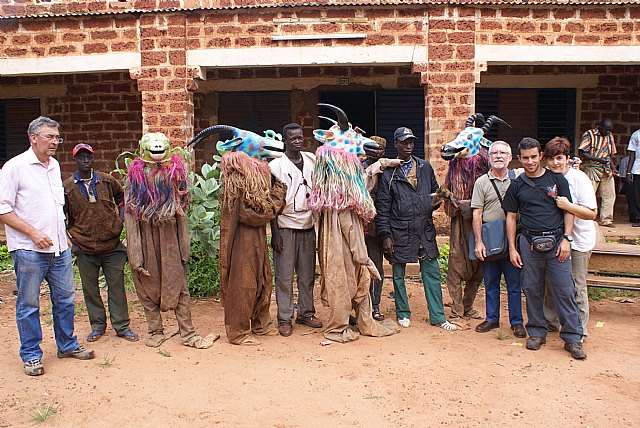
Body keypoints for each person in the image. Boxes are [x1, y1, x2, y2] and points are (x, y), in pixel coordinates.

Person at [0, 116, 94, 377]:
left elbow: (55, 206)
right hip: (29, 249)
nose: (55, 142)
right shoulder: (14, 167)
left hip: (59, 248)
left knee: (65, 299)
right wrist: (33, 233)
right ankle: (31, 355)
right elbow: (2, 209)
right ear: (33, 138)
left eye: (57, 137)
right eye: (50, 137)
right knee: (29, 304)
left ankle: (66, 345)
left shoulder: (53, 166)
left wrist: (64, 235)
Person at [124, 132, 217, 349]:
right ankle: (155, 330)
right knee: (147, 284)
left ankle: (188, 333)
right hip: (145, 234)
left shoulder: (175, 174)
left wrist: (184, 249)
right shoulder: (135, 178)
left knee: (178, 283)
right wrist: (135, 256)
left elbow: (182, 209)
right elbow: (130, 215)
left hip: (170, 237)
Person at [503, 137, 586, 360]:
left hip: (557, 242)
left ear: (541, 156)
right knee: (531, 288)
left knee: (564, 289)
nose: (530, 161)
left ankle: (572, 337)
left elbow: (568, 210)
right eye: (525, 158)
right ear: (519, 159)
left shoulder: (557, 180)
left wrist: (567, 239)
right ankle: (537, 332)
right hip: (529, 243)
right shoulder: (517, 185)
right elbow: (511, 218)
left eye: (534, 156)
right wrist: (512, 248)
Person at [375, 127, 456, 331]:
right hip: (399, 229)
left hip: (424, 229)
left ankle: (438, 316)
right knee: (399, 274)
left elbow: (433, 194)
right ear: (396, 145)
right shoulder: (389, 173)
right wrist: (385, 235)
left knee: (432, 272)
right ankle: (403, 312)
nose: (409, 146)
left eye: (411, 141)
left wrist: (440, 198)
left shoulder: (424, 167)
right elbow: (383, 207)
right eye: (404, 142)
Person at [63, 143, 138, 343]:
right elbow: (60, 216)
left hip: (112, 246)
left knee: (116, 286)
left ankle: (122, 326)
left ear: (93, 159)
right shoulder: (68, 188)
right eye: (81, 157)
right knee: (90, 289)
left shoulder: (106, 180)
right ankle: (97, 326)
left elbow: (123, 198)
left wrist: (120, 221)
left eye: (89, 157)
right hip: (84, 246)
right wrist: (71, 241)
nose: (86, 160)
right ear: (75, 160)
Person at [219, 151, 287, 345]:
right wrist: (276, 194)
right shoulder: (237, 189)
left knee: (262, 280)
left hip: (256, 241)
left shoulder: (250, 188)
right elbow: (257, 215)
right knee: (244, 284)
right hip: (243, 242)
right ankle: (238, 332)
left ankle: (260, 323)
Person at [269, 123, 322, 337]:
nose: (298, 141)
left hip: (308, 225)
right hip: (285, 226)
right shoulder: (276, 166)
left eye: (300, 137)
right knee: (283, 276)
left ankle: (306, 313)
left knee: (307, 274)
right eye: (293, 138)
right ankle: (284, 317)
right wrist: (274, 233)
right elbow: (271, 202)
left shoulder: (311, 160)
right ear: (285, 141)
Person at [543, 137, 597, 340]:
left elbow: (592, 213)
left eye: (559, 158)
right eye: (551, 159)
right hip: (554, 239)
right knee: (551, 282)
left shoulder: (579, 178)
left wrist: (568, 206)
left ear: (567, 158)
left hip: (579, 241)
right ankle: (550, 321)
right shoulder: (546, 178)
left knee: (576, 285)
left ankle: (579, 327)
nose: (555, 163)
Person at [470, 141, 525, 338]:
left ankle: (517, 322)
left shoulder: (518, 178)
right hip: (490, 239)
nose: (499, 156)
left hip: (514, 241)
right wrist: (479, 242)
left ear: (510, 157)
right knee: (491, 281)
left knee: (514, 283)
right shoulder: (481, 182)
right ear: (489, 157)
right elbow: (477, 213)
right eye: (494, 153)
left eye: (503, 153)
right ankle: (492, 318)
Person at [361, 136, 390, 321]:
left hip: (375, 226)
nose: (375, 153)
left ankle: (375, 305)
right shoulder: (357, 166)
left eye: (379, 150)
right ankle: (359, 306)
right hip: (356, 224)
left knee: (376, 266)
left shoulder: (386, 170)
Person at [578, 118, 617, 227]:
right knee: (589, 195)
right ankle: (586, 219)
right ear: (600, 127)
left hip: (606, 170)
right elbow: (582, 152)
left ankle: (606, 220)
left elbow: (610, 155)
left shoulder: (609, 136)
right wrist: (598, 159)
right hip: (592, 169)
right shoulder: (589, 134)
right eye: (606, 130)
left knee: (609, 195)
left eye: (609, 130)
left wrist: (613, 168)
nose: (607, 132)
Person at [626, 129, 640, 226]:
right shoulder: (636, 135)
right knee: (637, 196)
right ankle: (638, 218)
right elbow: (632, 154)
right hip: (638, 170)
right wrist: (628, 172)